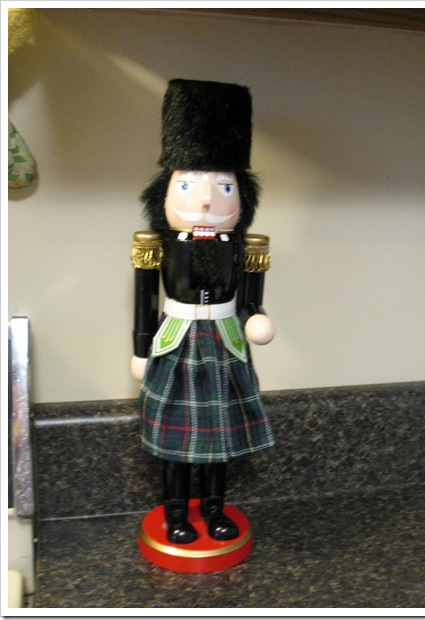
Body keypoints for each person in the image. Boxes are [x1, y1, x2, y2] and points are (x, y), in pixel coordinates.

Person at [131, 79, 275, 545]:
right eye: (188, 185)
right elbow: (145, 300)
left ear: (243, 198)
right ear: (163, 195)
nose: (209, 199)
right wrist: (140, 348)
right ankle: (176, 512)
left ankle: (214, 509)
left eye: (224, 186)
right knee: (175, 446)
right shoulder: (157, 246)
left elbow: (250, 297)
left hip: (225, 344)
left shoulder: (245, 247)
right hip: (175, 342)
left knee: (219, 442)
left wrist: (254, 316)